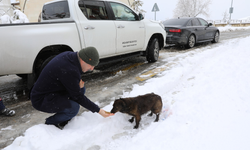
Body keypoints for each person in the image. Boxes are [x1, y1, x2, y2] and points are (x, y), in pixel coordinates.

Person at [30, 47, 114, 129]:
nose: (92, 69)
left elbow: (76, 92)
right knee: (73, 108)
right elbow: (78, 97)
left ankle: (65, 116)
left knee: (81, 90)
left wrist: (78, 89)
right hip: (41, 99)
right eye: (91, 65)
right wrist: (98, 110)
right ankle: (50, 123)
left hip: (52, 91)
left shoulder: (72, 57)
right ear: (84, 60)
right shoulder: (70, 70)